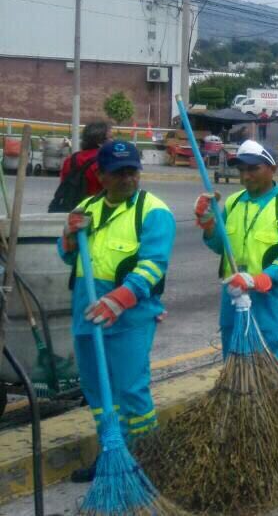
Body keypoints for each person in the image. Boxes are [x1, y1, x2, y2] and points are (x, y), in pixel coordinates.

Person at [58, 141, 174, 483]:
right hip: (87, 314)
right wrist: (67, 237)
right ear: (101, 175)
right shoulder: (87, 207)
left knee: (130, 390)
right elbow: (69, 257)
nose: (128, 178)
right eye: (119, 172)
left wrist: (120, 299)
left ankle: (144, 459)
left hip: (130, 319)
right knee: (96, 391)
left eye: (132, 171)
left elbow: (155, 265)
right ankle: (111, 453)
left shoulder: (153, 211)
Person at [195, 140, 278, 370]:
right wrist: (207, 223)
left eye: (253, 168)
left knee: (271, 361)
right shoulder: (234, 202)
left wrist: (261, 279)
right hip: (234, 294)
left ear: (272, 168)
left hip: (272, 298)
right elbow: (220, 246)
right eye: (241, 170)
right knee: (235, 358)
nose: (246, 176)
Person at [51, 120, 111, 211]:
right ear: (100, 142)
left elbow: (64, 183)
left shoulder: (70, 160)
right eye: (110, 138)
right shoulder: (105, 160)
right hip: (97, 210)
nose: (113, 141)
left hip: (72, 208)